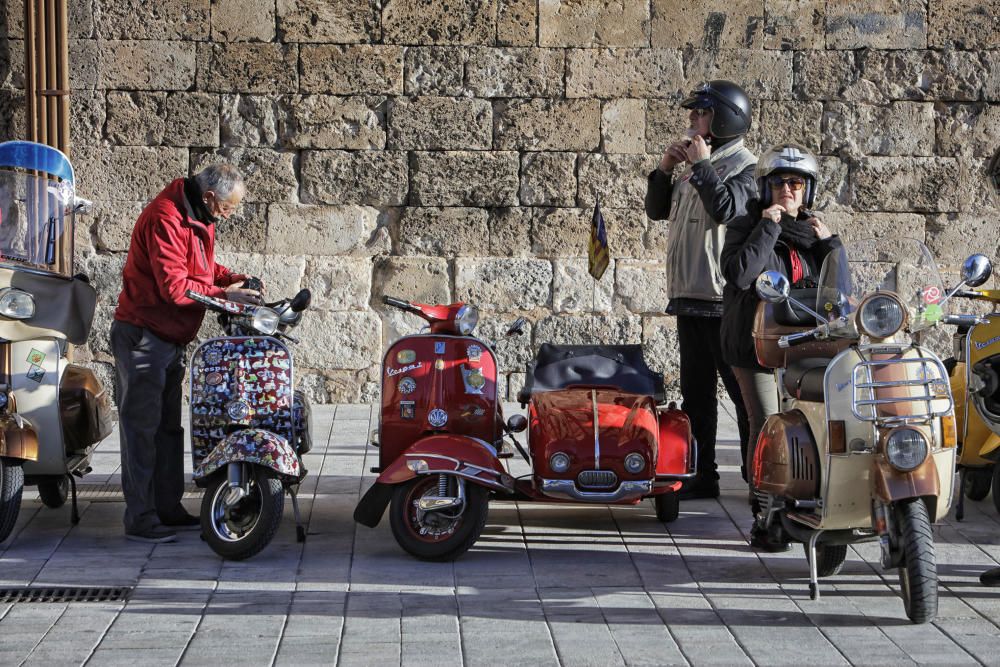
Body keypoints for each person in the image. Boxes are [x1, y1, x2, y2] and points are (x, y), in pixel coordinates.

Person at [111, 164, 262, 543]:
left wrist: (231, 277)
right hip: (144, 336)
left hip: (168, 337)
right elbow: (175, 288)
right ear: (210, 197)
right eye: (228, 208)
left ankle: (167, 507)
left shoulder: (197, 214)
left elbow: (203, 267)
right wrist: (223, 296)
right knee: (142, 430)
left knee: (167, 430)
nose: (228, 215)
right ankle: (141, 518)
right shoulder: (166, 218)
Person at [719, 143, 842, 551]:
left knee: (811, 421)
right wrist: (768, 226)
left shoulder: (813, 233)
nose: (787, 190)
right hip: (754, 344)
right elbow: (739, 274)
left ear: (808, 189)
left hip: (804, 345)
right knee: (767, 421)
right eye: (779, 183)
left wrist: (831, 245)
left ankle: (809, 500)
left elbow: (840, 294)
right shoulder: (745, 224)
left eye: (796, 183)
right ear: (765, 187)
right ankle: (766, 515)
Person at [645, 80, 757, 498]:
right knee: (696, 397)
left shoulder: (747, 167)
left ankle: (756, 475)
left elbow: (727, 208)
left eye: (700, 112)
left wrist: (704, 166)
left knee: (743, 396)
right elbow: (657, 210)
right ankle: (700, 474)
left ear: (723, 119)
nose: (691, 119)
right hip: (689, 297)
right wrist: (664, 169)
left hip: (723, 301)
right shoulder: (698, 166)